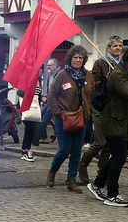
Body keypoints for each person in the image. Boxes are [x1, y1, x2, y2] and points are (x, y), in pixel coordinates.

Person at [87, 42, 128, 207]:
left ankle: (97, 184)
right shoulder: (119, 74)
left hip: (122, 121)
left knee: (118, 156)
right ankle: (112, 194)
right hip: (114, 122)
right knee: (119, 157)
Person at [47, 45, 93, 193]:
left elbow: (92, 94)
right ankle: (52, 171)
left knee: (76, 151)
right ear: (70, 59)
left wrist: (89, 110)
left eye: (80, 57)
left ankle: (71, 180)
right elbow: (51, 95)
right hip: (64, 118)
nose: (78, 60)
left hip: (81, 118)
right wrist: (59, 113)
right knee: (64, 149)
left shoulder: (88, 75)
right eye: (75, 57)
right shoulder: (62, 74)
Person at [78, 35, 121, 184]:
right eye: (115, 46)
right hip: (101, 106)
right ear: (108, 48)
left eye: (120, 46)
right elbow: (94, 83)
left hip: (114, 108)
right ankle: (82, 165)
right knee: (100, 142)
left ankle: (102, 173)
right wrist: (106, 80)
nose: (118, 48)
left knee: (108, 145)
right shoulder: (101, 63)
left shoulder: (121, 64)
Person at [36, 58, 59, 144]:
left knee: (45, 120)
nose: (48, 67)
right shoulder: (50, 75)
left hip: (54, 102)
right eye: (48, 65)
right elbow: (49, 88)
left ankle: (43, 137)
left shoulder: (59, 74)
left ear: (55, 66)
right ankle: (44, 137)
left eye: (50, 65)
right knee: (40, 115)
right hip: (49, 100)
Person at [19, 81, 42, 162]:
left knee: (29, 131)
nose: (40, 72)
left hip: (34, 108)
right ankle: (27, 150)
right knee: (30, 130)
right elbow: (20, 92)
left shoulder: (38, 80)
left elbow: (39, 94)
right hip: (27, 107)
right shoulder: (28, 79)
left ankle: (24, 151)